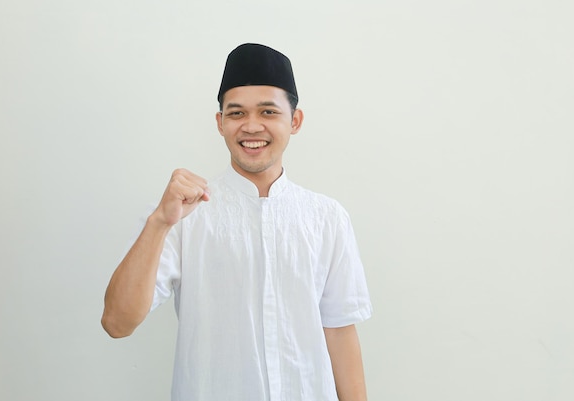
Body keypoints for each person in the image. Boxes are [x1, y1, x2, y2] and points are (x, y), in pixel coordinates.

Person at [102, 43, 373, 401]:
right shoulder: (181, 216)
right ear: (220, 123)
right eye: (236, 113)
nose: (251, 126)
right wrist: (158, 224)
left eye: (268, 111)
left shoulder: (327, 218)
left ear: (295, 121)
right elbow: (117, 323)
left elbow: (339, 332)